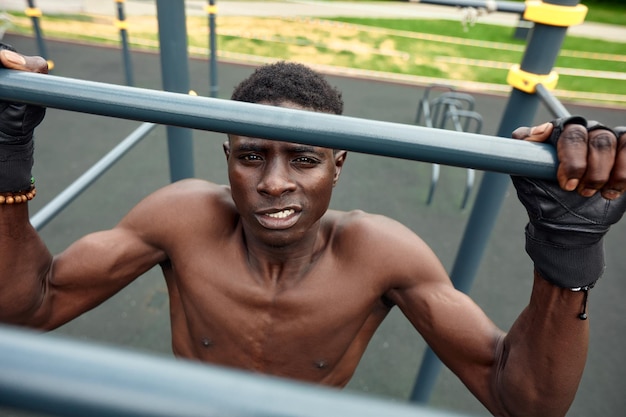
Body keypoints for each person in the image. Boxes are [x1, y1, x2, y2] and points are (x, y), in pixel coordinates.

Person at [0, 44, 625, 417]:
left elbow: (522, 401)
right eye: (251, 157)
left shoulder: (379, 253)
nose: (274, 183)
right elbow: (31, 307)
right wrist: (6, 160)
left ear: (337, 163)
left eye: (303, 158)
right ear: (226, 156)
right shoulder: (182, 217)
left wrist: (566, 254)